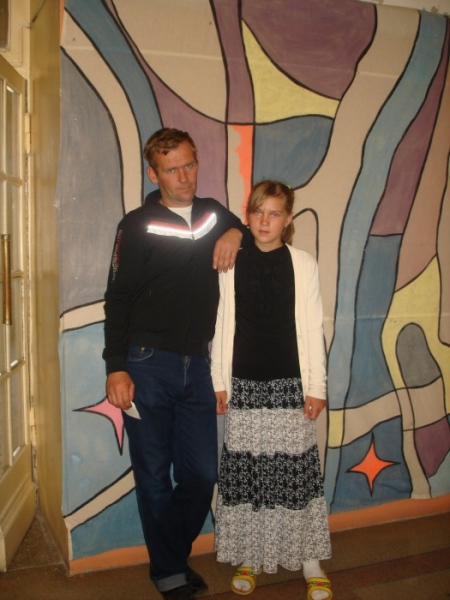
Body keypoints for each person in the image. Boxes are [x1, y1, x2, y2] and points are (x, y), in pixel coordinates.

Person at [103, 128, 250, 600]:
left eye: (189, 165)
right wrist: (115, 366)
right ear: (154, 174)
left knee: (202, 473)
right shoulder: (137, 224)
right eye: (172, 169)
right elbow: (117, 299)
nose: (184, 177)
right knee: (153, 473)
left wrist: (235, 232)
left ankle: (170, 556)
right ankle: (169, 571)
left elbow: (249, 233)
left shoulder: (212, 214)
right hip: (146, 364)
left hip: (197, 364)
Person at [211, 180, 333, 599]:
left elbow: (313, 329)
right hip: (243, 385)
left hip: (290, 385)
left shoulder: (303, 264)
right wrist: (219, 380)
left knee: (295, 474)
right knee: (249, 474)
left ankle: (309, 559)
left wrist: (317, 386)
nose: (265, 221)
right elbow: (222, 323)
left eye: (274, 213)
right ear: (248, 216)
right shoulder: (231, 261)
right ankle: (250, 554)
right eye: (258, 212)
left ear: (288, 219)